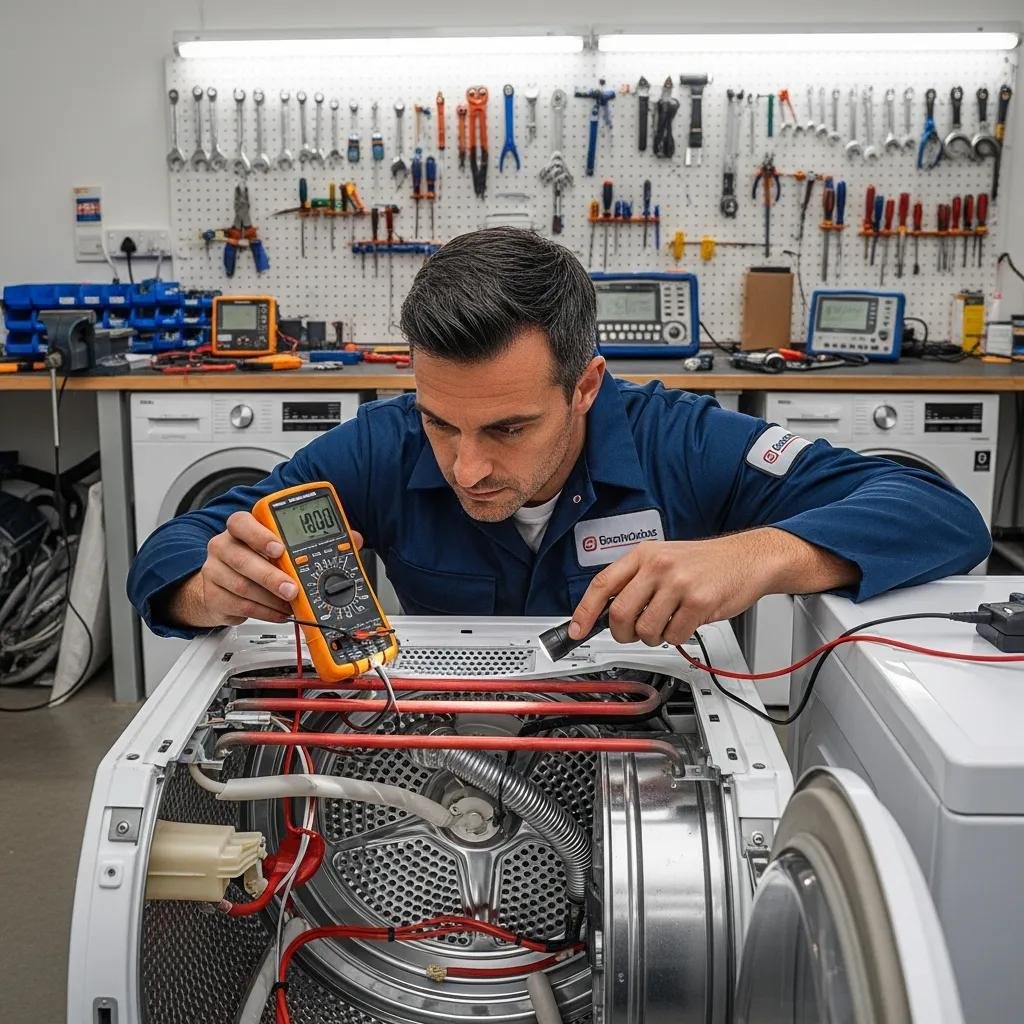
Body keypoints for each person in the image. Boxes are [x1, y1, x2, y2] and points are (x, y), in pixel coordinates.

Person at [128, 227, 991, 651]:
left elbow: (939, 513)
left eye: (507, 428)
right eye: (441, 422)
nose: (468, 468)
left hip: (641, 766)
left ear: (586, 386)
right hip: (448, 754)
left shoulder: (680, 442)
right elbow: (175, 545)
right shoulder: (379, 449)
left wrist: (759, 556)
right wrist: (205, 591)